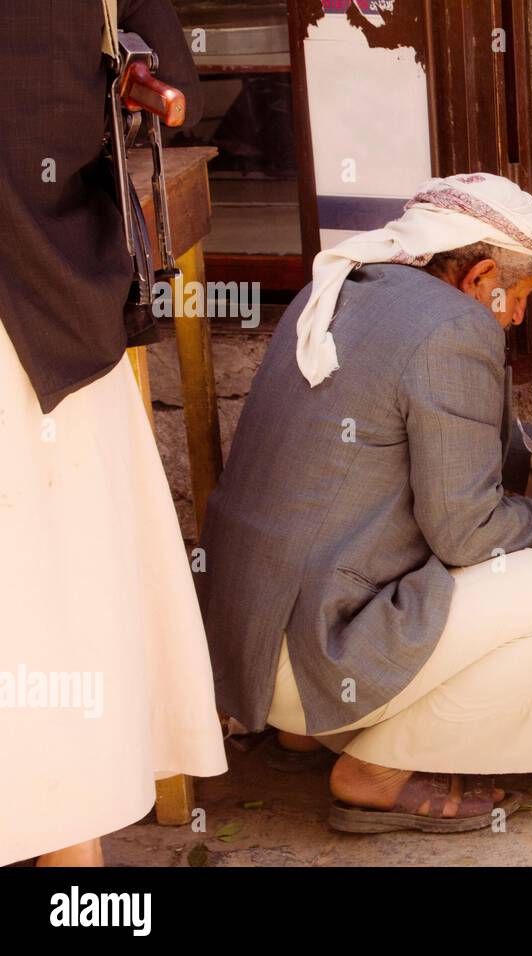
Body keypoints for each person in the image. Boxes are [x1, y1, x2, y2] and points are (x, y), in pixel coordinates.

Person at [199, 174, 532, 834]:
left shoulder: (344, 285)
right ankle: (376, 772)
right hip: (309, 655)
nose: (513, 317)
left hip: (243, 651)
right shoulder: (453, 326)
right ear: (481, 275)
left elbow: (412, 427)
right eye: (518, 298)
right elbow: (467, 533)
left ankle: (307, 735)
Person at [0, 0, 227, 867]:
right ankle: (72, 862)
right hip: (48, 295)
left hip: (39, 310)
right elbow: (177, 84)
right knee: (60, 600)